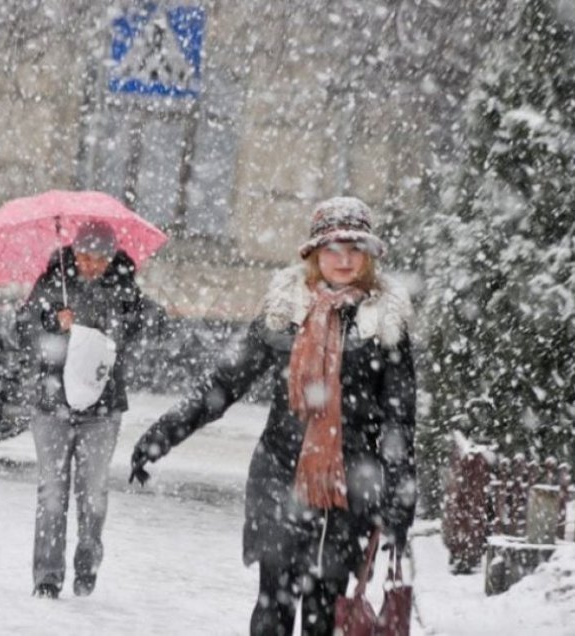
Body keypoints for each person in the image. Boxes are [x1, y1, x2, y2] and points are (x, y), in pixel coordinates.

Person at [130, 197, 416, 635]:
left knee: (326, 610)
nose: (343, 259)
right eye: (333, 249)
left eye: (354, 249)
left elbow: (399, 422)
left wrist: (398, 505)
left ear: (369, 256)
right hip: (278, 475)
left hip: (349, 486)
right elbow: (223, 385)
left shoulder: (385, 325)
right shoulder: (284, 313)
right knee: (273, 605)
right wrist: (161, 436)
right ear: (314, 254)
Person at [17, 220, 149, 600]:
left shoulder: (124, 287)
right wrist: (50, 323)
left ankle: (88, 560)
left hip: (102, 408)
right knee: (52, 493)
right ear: (74, 252)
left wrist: (126, 321)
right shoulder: (51, 283)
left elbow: (147, 328)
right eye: (86, 256)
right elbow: (21, 330)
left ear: (112, 257)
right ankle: (47, 577)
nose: (92, 265)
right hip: (51, 403)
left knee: (92, 494)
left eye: (101, 258)